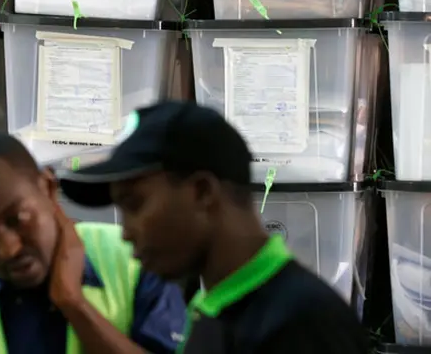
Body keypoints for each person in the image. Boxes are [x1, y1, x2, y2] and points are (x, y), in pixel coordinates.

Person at [57, 101, 370, 354]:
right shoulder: (212, 308)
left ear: (203, 192)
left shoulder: (301, 324)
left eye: (135, 204)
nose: (125, 232)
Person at [0, 132, 186, 354]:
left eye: (17, 219)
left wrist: (74, 304)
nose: (8, 249)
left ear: (48, 188)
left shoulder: (136, 260)